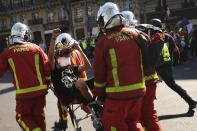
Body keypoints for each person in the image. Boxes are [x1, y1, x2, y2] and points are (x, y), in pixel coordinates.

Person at [94, 2, 148, 131]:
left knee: (113, 124)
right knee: (133, 122)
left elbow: (99, 74)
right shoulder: (134, 33)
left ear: (105, 19)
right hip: (139, 90)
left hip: (118, 95)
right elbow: (147, 41)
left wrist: (100, 97)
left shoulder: (103, 42)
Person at [0, 22, 51, 131]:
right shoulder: (36, 48)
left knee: (22, 117)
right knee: (39, 117)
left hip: (24, 94)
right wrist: (46, 84)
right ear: (24, 34)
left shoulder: (7, 52)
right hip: (41, 92)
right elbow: (47, 68)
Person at [122, 11, 162, 131]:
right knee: (148, 114)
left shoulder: (127, 36)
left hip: (140, 81)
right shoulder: (141, 32)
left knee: (138, 117)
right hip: (151, 77)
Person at [48, 29, 95, 130]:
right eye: (65, 56)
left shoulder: (71, 64)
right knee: (81, 85)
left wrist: (80, 49)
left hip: (79, 85)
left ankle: (96, 112)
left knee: (95, 82)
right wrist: (53, 39)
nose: (67, 58)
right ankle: (95, 111)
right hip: (71, 91)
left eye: (68, 56)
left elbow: (87, 66)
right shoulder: (55, 71)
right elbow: (51, 57)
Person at [149, 19, 197, 113]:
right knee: (173, 85)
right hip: (167, 65)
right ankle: (190, 101)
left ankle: (146, 110)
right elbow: (176, 50)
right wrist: (175, 62)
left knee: (148, 87)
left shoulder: (150, 37)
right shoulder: (167, 36)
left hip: (155, 66)